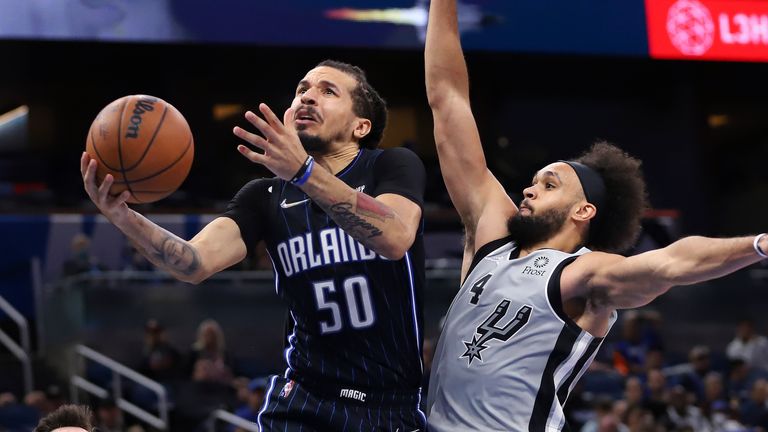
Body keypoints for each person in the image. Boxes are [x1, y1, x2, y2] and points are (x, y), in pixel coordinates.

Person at [423, 0, 768, 430]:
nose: (529, 189)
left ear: (583, 210)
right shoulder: (493, 238)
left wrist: (758, 244)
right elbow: (448, 100)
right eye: (534, 180)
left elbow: (672, 263)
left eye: (550, 185)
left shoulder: (583, 274)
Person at [80, 59, 427, 431]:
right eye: (302, 89)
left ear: (361, 125)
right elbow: (193, 263)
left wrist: (304, 172)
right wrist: (123, 217)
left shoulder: (391, 165)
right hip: (304, 400)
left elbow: (394, 237)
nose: (308, 97)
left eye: (328, 91)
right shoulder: (265, 196)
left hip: (389, 406)